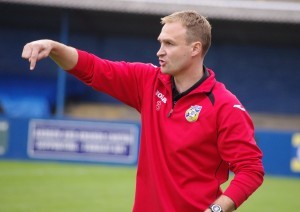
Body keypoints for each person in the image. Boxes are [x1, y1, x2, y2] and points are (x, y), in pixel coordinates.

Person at [22, 10, 264, 212]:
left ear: (195, 49)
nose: (160, 51)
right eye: (160, 42)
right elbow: (94, 69)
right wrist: (53, 47)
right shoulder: (147, 81)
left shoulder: (224, 105)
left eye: (169, 43)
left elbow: (251, 170)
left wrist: (216, 210)